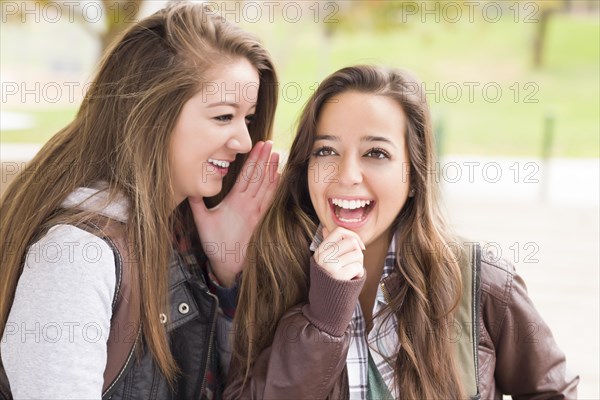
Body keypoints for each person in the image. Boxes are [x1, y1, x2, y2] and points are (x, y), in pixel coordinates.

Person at [225, 65, 578, 399]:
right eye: (326, 150)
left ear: (413, 176)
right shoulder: (271, 270)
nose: (346, 174)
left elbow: (553, 391)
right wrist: (323, 320)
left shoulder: (480, 280)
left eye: (376, 153)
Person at [0, 2, 279, 399]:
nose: (244, 142)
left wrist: (226, 273)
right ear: (151, 114)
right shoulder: (76, 255)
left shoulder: (179, 230)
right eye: (223, 117)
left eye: (247, 118)